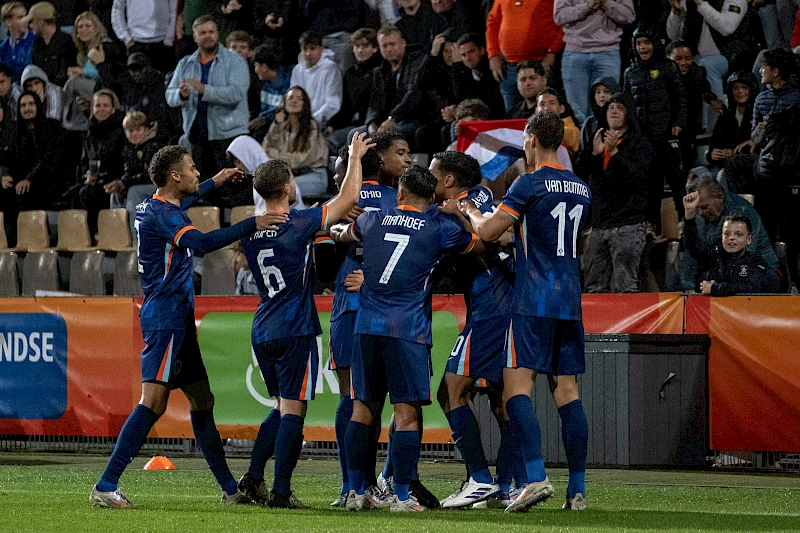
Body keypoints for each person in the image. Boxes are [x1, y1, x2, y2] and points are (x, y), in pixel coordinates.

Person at [88, 145, 287, 509]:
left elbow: (187, 198)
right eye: (193, 168)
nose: (198, 173)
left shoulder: (155, 206)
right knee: (153, 402)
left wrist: (216, 180)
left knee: (202, 400)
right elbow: (203, 243)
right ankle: (106, 484)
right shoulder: (165, 215)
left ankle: (229, 490)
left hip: (176, 318)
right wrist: (250, 224)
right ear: (175, 175)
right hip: (165, 319)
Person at [460, 111, 591, 512]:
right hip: (570, 299)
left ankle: (535, 478)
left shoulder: (528, 183)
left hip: (533, 298)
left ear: (531, 139)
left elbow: (487, 232)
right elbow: (580, 242)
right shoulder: (582, 188)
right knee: (567, 391)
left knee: (516, 388)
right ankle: (577, 491)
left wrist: (471, 211)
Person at [330, 164, 480, 513]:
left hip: (366, 326)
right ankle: (400, 496)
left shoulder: (371, 220)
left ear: (399, 192)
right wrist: (460, 214)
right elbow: (477, 242)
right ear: (431, 196)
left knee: (362, 410)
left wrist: (336, 228)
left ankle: (356, 491)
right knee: (406, 414)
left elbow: (340, 233)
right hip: (407, 329)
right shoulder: (439, 228)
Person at [236, 133, 373, 508]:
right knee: (294, 410)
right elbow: (349, 197)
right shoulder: (298, 222)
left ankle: (253, 477)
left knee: (280, 406)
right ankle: (281, 492)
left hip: (262, 325)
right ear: (286, 187)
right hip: (294, 326)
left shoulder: (250, 230)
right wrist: (355, 157)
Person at [431, 151, 515, 509]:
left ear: (449, 180)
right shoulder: (478, 198)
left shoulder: (462, 206)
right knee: (501, 398)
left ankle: (479, 478)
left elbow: (486, 241)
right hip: (505, 303)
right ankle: (507, 486)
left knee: (451, 391)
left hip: (490, 309)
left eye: (433, 174)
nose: (429, 180)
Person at [318, 144, 396, 508]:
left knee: (349, 396)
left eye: (340, 171)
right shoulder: (400, 201)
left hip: (349, 306)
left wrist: (338, 228)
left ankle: (351, 486)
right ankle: (376, 485)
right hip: (390, 308)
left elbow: (322, 260)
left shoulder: (337, 205)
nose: (337, 177)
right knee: (376, 401)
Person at [576, 93, 656, 293]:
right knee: (593, 288)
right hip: (598, 225)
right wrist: (594, 155)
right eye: (610, 107)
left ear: (629, 113)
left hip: (628, 225)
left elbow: (638, 180)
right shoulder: (597, 140)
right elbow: (580, 174)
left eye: (620, 107)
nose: (614, 111)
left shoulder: (640, 144)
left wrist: (614, 154)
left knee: (625, 288)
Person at [166, 15, 250, 199]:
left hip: (228, 135)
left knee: (231, 191)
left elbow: (236, 93)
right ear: (195, 37)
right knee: (204, 192)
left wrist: (204, 89)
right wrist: (181, 94)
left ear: (218, 34)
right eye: (202, 33)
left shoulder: (234, 61)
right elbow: (169, 95)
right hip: (198, 136)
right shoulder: (185, 63)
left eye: (211, 32)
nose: (208, 36)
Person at [623, 26, 687, 219]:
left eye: (646, 43)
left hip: (667, 135)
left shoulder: (668, 67)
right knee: (651, 186)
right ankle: (652, 227)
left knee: (677, 183)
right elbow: (626, 104)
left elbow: (679, 97)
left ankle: (686, 224)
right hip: (644, 138)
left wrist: (678, 122)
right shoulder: (630, 72)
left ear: (655, 44)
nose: (643, 48)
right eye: (639, 44)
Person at [679, 178, 777, 290]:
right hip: (725, 270)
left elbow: (744, 263)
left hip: (758, 273)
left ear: (719, 198)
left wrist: (717, 288)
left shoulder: (741, 211)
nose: (701, 212)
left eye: (705, 207)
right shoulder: (703, 215)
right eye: (726, 234)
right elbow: (695, 250)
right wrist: (689, 217)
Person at [554, 0, 635, 124]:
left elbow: (629, 16)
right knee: (576, 112)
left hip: (608, 52)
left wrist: (605, 3)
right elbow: (559, 16)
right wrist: (587, 6)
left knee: (607, 107)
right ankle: (582, 136)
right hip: (575, 53)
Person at [486, 0, 564, 111]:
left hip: (541, 65)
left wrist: (552, 52)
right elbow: (493, 23)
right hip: (509, 67)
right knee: (513, 115)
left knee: (547, 112)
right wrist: (493, 55)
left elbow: (563, 22)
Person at [666, 0, 753, 100]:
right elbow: (673, 36)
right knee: (675, 62)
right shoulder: (689, 2)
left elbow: (727, 28)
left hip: (730, 56)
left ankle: (717, 108)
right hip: (696, 55)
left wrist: (701, 4)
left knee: (707, 64)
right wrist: (676, 12)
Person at [103, 110, 164, 237]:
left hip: (160, 187)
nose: (134, 133)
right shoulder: (129, 150)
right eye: (130, 130)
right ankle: (120, 237)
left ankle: (138, 238)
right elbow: (129, 173)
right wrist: (119, 184)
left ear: (146, 130)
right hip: (141, 185)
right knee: (116, 194)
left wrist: (124, 183)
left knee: (134, 192)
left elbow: (150, 175)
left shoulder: (155, 147)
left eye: (138, 129)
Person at [362, 27, 426, 147]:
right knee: (357, 135)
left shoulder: (417, 63)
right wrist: (371, 123)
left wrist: (393, 118)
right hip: (386, 121)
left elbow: (413, 96)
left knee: (391, 134)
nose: (388, 49)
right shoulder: (380, 71)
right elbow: (373, 103)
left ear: (403, 43)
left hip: (412, 119)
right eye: (384, 46)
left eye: (392, 44)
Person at [667, 40, 724, 172]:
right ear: (668, 58)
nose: (683, 63)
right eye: (678, 59)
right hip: (667, 125)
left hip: (689, 125)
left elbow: (706, 90)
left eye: (687, 59)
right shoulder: (660, 75)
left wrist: (713, 101)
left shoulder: (698, 73)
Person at [74, 88, 126, 235]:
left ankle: (97, 235)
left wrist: (104, 178)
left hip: (114, 180)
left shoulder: (121, 131)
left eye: (105, 105)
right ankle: (82, 237)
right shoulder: (90, 133)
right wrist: (87, 175)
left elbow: (122, 161)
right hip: (94, 181)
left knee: (87, 194)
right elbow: (84, 162)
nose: (101, 109)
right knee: (74, 193)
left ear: (113, 108)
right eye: (98, 105)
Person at [262, 86, 329, 197]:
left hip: (313, 175)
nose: (294, 101)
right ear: (284, 102)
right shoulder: (281, 125)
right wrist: (276, 126)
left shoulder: (311, 126)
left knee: (280, 190)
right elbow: (265, 150)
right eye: (291, 98)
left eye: (299, 98)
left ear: (304, 104)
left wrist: (275, 158)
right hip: (289, 176)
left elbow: (302, 158)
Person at [326, 28, 382, 153]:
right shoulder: (351, 73)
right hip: (355, 122)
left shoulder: (381, 71)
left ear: (374, 48)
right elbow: (346, 107)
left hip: (372, 123)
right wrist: (332, 124)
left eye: (365, 46)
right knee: (328, 139)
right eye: (357, 46)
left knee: (352, 135)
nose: (360, 50)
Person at [11, 90, 67, 211]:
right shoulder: (17, 134)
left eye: (31, 104)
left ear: (38, 106)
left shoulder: (52, 127)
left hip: (50, 180)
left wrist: (29, 179)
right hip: (24, 181)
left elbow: (49, 159)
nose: (27, 108)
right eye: (23, 105)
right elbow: (13, 162)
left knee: (26, 193)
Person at [63, 11, 126, 119]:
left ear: (96, 29)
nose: (83, 29)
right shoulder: (82, 52)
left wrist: (82, 72)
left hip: (107, 89)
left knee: (72, 84)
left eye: (88, 26)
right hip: (94, 89)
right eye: (80, 27)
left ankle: (63, 119)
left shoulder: (106, 46)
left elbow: (109, 73)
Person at [226, 134, 305, 212]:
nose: (238, 167)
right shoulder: (264, 171)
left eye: (239, 162)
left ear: (248, 155)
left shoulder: (269, 173)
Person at [288, 30, 342, 130]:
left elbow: (333, 103)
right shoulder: (297, 70)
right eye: (305, 49)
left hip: (321, 124)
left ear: (321, 49)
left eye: (312, 48)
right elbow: (292, 98)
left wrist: (313, 120)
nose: (308, 53)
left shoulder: (331, 69)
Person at [706, 71, 758, 171]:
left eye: (744, 88)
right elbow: (714, 144)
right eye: (735, 88)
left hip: (748, 168)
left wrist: (735, 153)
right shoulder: (725, 114)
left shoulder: (758, 114)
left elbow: (757, 146)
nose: (740, 91)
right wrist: (712, 154)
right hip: (722, 166)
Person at [111, 0, 178, 75]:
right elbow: (117, 10)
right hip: (136, 43)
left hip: (162, 44)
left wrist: (169, 39)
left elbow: (174, 10)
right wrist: (127, 39)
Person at [28, 1, 78, 87]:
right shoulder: (38, 44)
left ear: (41, 21)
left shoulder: (67, 42)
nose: (30, 25)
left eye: (31, 21)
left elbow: (64, 75)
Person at [249, 45, 294, 141]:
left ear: (264, 67)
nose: (255, 70)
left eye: (256, 65)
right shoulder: (263, 84)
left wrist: (267, 119)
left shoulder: (289, 80)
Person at [579, 76, 618, 152]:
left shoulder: (620, 120)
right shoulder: (590, 123)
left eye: (607, 91)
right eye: (598, 92)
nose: (602, 95)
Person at [536, 88, 580, 154]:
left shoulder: (571, 130)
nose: (546, 108)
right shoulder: (531, 129)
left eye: (552, 103)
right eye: (542, 104)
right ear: (536, 110)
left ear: (561, 108)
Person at [0, 2, 36, 83]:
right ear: (8, 22)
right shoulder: (2, 48)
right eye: (20, 17)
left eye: (26, 16)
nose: (25, 20)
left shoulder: (36, 41)